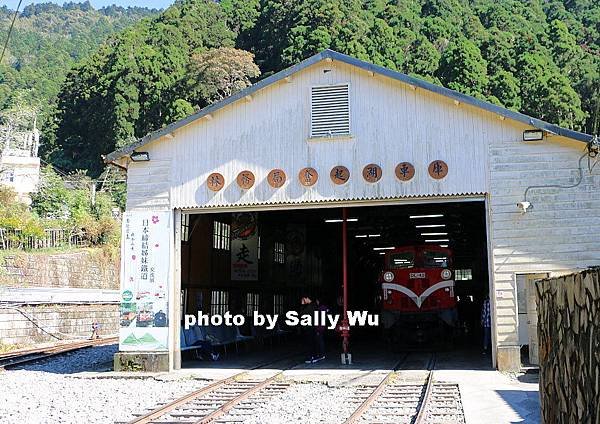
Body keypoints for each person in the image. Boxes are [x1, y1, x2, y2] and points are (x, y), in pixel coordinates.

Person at [300, 294, 321, 364]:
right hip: (314, 327)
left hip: (309, 327)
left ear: (307, 298)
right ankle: (315, 356)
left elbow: (302, 314)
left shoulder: (310, 307)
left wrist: (302, 305)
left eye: (304, 299)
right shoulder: (315, 306)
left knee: (309, 342)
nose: (303, 301)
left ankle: (311, 357)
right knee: (313, 342)